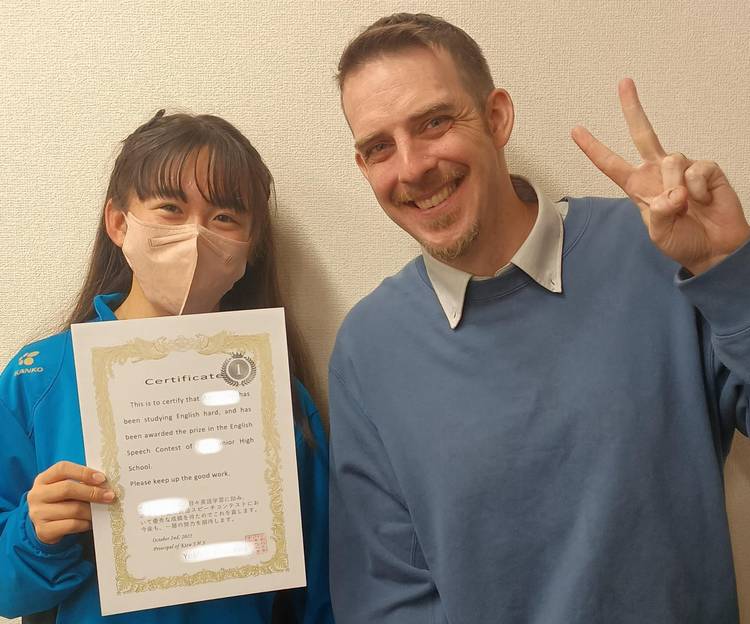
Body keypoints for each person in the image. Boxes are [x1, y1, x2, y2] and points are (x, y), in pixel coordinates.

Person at [328, 12, 750, 624]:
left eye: (434, 122)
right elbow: (384, 598)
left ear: (497, 117)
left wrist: (730, 272)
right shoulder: (369, 350)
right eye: (379, 148)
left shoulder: (659, 249)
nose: (412, 166)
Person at [0, 111, 333, 623]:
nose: (195, 235)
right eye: (170, 208)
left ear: (250, 245)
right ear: (119, 222)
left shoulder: (276, 393)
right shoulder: (38, 378)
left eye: (224, 217)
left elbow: (323, 584)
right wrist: (35, 532)